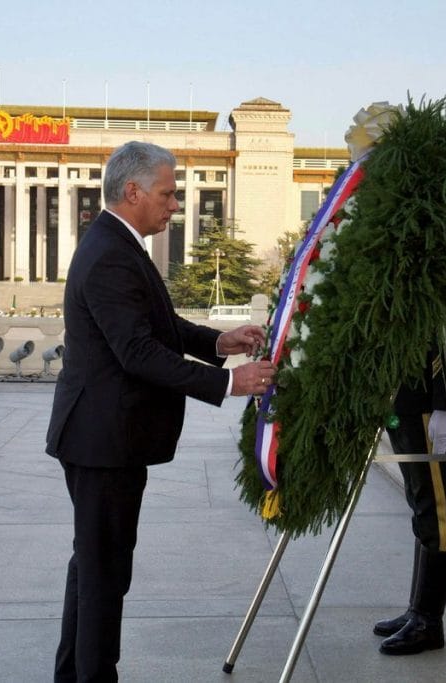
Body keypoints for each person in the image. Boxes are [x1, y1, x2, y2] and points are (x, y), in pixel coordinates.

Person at [45, 141, 275, 683]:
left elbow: (160, 326)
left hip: (106, 437)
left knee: (95, 567)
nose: (175, 205)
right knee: (103, 574)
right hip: (101, 441)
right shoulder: (108, 254)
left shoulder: (119, 246)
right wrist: (228, 383)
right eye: (168, 194)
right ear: (133, 192)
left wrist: (221, 343)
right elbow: (138, 352)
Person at [375, 320, 446, 656]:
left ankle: (430, 620)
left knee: (436, 511)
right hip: (402, 401)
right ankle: (418, 609)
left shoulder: (434, 265)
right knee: (420, 504)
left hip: (427, 403)